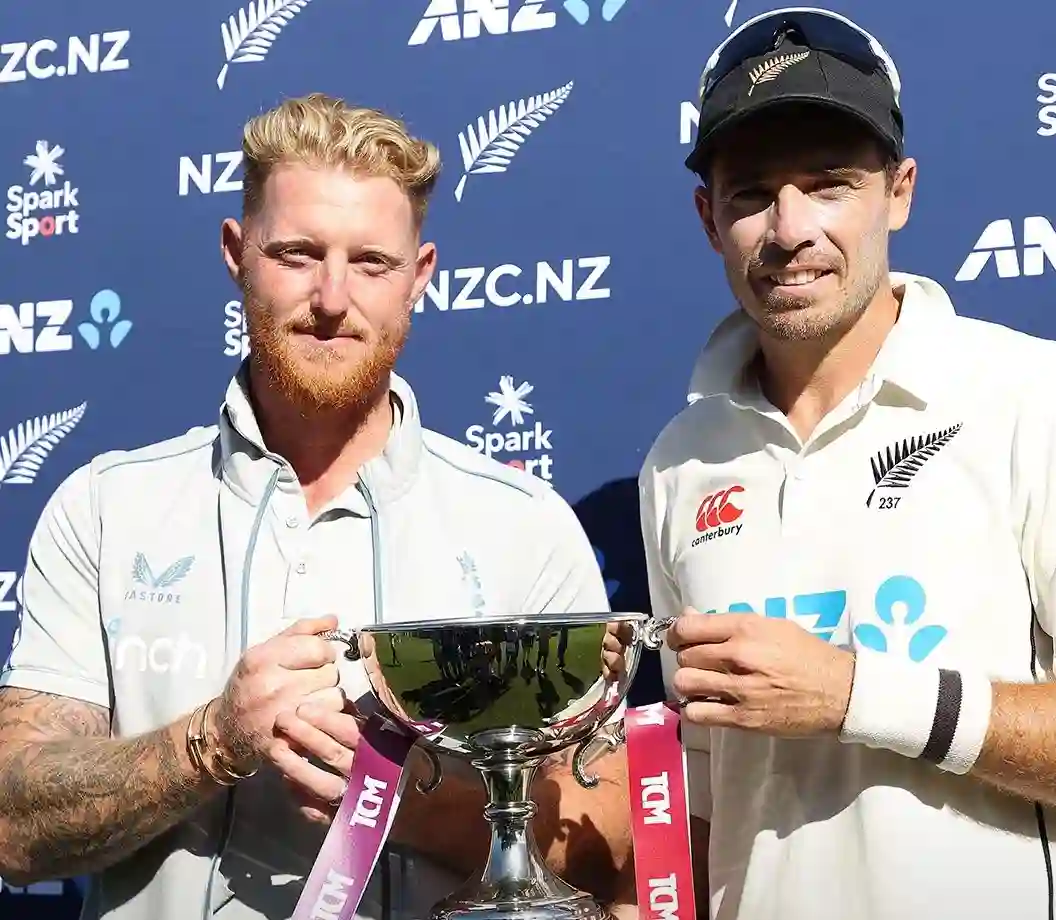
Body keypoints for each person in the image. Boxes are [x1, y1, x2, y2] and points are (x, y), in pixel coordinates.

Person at [0, 93, 631, 920]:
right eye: (297, 253)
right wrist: (211, 743)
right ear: (236, 252)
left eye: (371, 262)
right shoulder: (106, 509)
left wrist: (397, 801)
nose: (332, 297)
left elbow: (608, 831)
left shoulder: (524, 526)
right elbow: (14, 825)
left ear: (421, 276)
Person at [607, 8, 1056, 920]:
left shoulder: (1032, 394)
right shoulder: (681, 460)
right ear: (708, 218)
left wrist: (855, 692)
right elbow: (700, 784)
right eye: (750, 194)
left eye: (828, 185)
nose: (789, 230)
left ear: (898, 193)